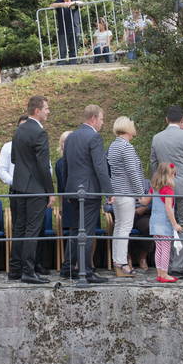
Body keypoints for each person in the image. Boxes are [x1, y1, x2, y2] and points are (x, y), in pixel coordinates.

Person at [59, 105, 112, 283]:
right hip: (89, 191)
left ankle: (68, 268)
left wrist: (67, 190)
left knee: (75, 229)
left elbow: (65, 165)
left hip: (73, 190)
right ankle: (86, 271)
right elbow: (100, 166)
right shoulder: (94, 137)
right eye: (102, 119)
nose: (102, 123)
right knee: (87, 232)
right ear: (94, 118)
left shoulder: (71, 137)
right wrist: (109, 192)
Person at [150, 106, 183, 279]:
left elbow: (153, 164)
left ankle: (166, 265)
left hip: (164, 185)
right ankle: (178, 266)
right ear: (181, 120)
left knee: (167, 223)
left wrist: (159, 182)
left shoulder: (157, 138)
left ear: (166, 120)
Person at [9, 96, 55, 284]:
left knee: (20, 228)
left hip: (19, 186)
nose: (48, 111)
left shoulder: (19, 130)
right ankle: (28, 271)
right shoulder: (39, 132)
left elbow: (14, 159)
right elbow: (44, 165)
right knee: (32, 230)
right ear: (37, 110)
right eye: (46, 108)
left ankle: (15, 270)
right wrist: (50, 191)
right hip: (35, 188)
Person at [0, 114, 49, 276]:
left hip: (27, 188)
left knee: (31, 228)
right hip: (21, 189)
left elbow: (46, 166)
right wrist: (16, 182)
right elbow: (2, 169)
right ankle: (20, 267)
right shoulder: (9, 145)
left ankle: (30, 265)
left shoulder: (26, 139)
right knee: (23, 228)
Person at [107, 116, 145, 277]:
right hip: (126, 192)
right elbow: (132, 171)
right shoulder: (126, 147)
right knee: (125, 228)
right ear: (128, 128)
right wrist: (140, 193)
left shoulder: (113, 145)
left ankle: (118, 261)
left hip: (116, 192)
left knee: (119, 227)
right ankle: (122, 263)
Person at [149, 163, 181, 283]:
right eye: (174, 174)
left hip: (154, 222)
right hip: (164, 223)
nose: (175, 176)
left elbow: (145, 200)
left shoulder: (154, 188)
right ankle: (164, 274)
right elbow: (168, 208)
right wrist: (175, 224)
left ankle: (159, 273)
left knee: (158, 248)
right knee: (166, 248)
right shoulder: (168, 190)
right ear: (169, 175)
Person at [50, 0, 83, 64]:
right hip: (63, 30)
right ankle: (61, 65)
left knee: (74, 49)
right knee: (62, 50)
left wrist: (73, 3)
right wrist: (62, 4)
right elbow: (51, 6)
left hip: (75, 29)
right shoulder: (59, 1)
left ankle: (73, 64)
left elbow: (82, 3)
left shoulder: (75, 0)